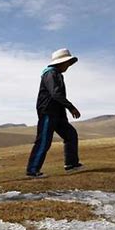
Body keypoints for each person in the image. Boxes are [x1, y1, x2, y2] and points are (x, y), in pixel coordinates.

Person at [26, 48, 84, 178]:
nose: (68, 66)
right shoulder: (50, 74)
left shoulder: (57, 74)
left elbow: (57, 96)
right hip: (48, 111)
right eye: (68, 63)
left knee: (70, 134)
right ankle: (32, 170)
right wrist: (71, 107)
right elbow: (55, 94)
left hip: (57, 113)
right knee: (44, 141)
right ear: (61, 62)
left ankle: (71, 164)